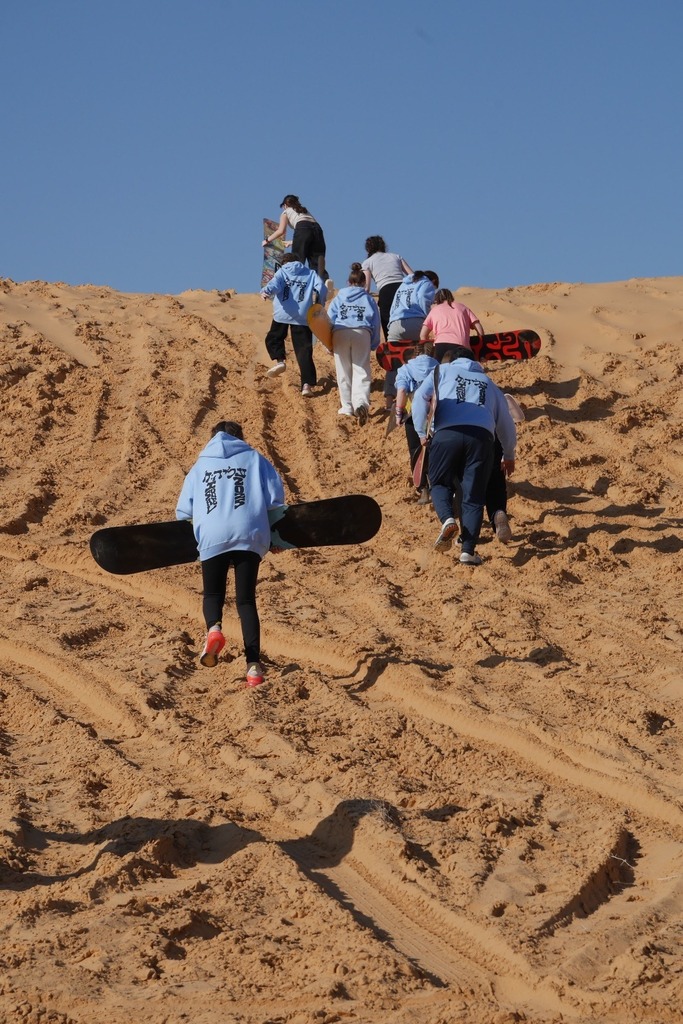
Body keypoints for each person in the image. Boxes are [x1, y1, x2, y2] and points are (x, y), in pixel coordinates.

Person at [176, 421, 286, 685]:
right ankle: (253, 669)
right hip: (250, 534)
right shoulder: (254, 458)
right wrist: (276, 535)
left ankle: (214, 629)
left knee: (213, 593)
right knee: (246, 601)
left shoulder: (200, 465)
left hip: (213, 535)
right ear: (242, 437)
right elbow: (276, 499)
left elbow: (183, 512)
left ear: (211, 438)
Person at [411, 346, 516, 565]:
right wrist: (508, 454)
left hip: (446, 434)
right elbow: (506, 422)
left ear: (453, 361)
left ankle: (448, 519)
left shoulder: (442, 371)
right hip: (482, 438)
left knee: (440, 483)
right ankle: (468, 550)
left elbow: (421, 397)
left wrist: (421, 432)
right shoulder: (488, 382)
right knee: (474, 495)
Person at [260, 253, 327, 397]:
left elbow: (274, 284)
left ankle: (280, 361)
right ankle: (307, 385)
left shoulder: (282, 271)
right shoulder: (310, 273)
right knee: (304, 350)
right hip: (303, 316)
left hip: (283, 313)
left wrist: (265, 292)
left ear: (284, 263)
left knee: (273, 338)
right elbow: (321, 287)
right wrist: (320, 302)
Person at [327, 262, 381, 424]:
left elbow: (328, 319)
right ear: (364, 283)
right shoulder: (368, 299)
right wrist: (374, 343)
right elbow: (375, 322)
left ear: (348, 282)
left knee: (343, 370)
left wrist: (328, 344)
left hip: (340, 332)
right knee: (361, 370)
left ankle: (347, 407)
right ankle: (361, 403)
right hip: (362, 332)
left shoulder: (340, 297)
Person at [382, 270, 438, 409]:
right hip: (415, 321)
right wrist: (427, 320)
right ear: (433, 281)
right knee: (418, 359)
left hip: (395, 324)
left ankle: (389, 401)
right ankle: (416, 398)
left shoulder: (403, 285)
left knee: (392, 362)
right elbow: (424, 301)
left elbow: (393, 306)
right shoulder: (426, 284)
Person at [394, 342, 439, 501]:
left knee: (416, 451)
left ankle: (423, 489)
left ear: (415, 354)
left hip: (413, 415)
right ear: (432, 354)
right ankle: (437, 486)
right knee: (435, 450)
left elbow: (401, 391)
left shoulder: (406, 369)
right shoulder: (439, 368)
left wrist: (399, 413)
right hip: (436, 414)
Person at [262, 195, 327, 280]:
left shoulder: (286, 212)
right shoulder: (304, 210)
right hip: (318, 230)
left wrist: (267, 240)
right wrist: (293, 242)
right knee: (317, 260)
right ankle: (324, 281)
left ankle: (296, 282)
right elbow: (309, 234)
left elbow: (281, 231)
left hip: (302, 228)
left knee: (297, 259)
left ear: (285, 205)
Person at [361, 235, 413, 342]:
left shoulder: (367, 262)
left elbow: (366, 287)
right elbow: (411, 275)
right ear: (383, 246)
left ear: (368, 248)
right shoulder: (396, 256)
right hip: (403, 287)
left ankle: (391, 345)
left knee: (387, 321)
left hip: (386, 289)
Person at [419, 288, 485, 363]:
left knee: (442, 371)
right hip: (461, 345)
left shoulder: (434, 310)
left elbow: (423, 335)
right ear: (451, 296)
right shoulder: (462, 307)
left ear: (437, 299)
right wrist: (481, 345)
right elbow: (478, 327)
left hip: (440, 345)